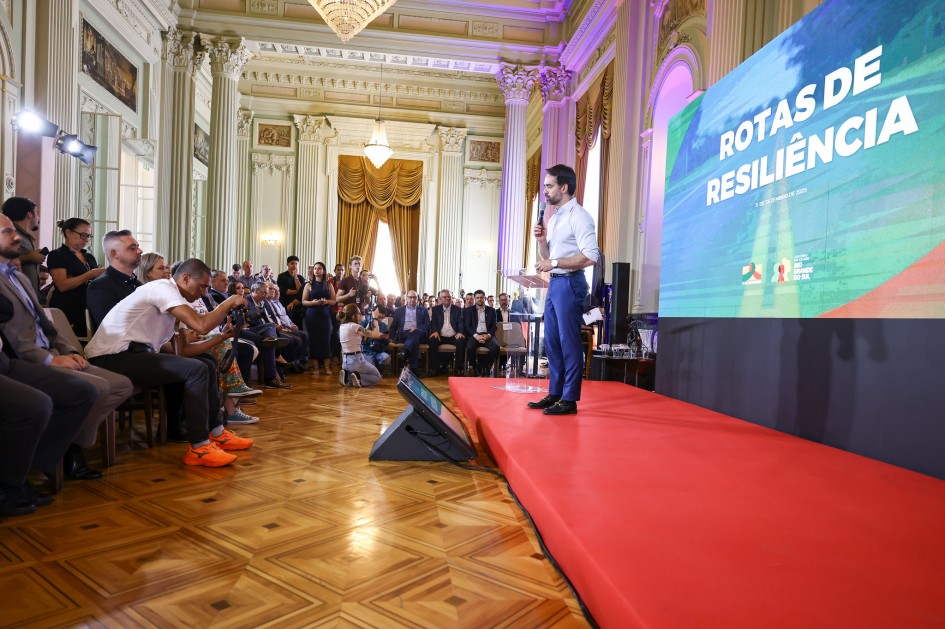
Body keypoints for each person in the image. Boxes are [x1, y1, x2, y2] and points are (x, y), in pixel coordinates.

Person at [0, 214, 133, 480]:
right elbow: (10, 334)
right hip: (26, 358)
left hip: (52, 349)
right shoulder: (56, 258)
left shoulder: (21, 279)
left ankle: (63, 444)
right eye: (7, 232)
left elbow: (46, 325)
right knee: (95, 388)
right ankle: (66, 453)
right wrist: (49, 360)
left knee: (121, 385)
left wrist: (68, 350)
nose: (17, 237)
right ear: (68, 233)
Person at [85, 258, 255, 467]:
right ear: (186, 278)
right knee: (197, 369)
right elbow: (202, 325)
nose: (204, 292)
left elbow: (183, 351)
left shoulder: (177, 301)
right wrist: (229, 302)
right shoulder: (162, 288)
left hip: (136, 354)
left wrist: (221, 337)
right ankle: (199, 447)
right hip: (111, 356)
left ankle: (217, 432)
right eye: (202, 286)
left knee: (207, 363)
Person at [528, 164, 600, 415]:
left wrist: (554, 263)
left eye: (549, 186)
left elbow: (591, 255)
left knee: (568, 341)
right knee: (552, 341)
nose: (545, 191)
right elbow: (548, 256)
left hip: (570, 282)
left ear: (564, 187)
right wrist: (541, 241)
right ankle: (556, 392)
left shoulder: (579, 216)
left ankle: (569, 399)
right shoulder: (556, 217)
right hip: (556, 282)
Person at [0, 337, 98, 516]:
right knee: (36, 405)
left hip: (3, 360)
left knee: (83, 392)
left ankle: (20, 473)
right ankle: (8, 484)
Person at [46, 218, 105, 336]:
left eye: (89, 236)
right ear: (68, 232)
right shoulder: (57, 255)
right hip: (69, 306)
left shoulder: (89, 257)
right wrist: (90, 274)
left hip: (90, 305)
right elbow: (62, 285)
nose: (86, 239)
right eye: (83, 235)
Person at [87, 230, 144, 329]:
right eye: (132, 247)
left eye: (137, 246)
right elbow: (111, 328)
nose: (140, 251)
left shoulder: (137, 284)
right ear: (114, 254)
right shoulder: (100, 286)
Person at [1, 196, 45, 295]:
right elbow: (4, 261)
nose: (38, 218)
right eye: (36, 212)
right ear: (29, 214)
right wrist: (30, 257)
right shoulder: (10, 235)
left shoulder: (25, 236)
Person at [337, 304, 384, 387]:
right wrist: (375, 319)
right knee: (377, 377)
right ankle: (356, 378)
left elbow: (363, 337)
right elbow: (376, 334)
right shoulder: (355, 326)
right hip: (356, 361)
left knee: (357, 373)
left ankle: (347, 376)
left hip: (345, 362)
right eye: (359, 313)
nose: (361, 314)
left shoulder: (342, 326)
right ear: (353, 316)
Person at [301, 261, 335, 375]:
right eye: (315, 268)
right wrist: (312, 303)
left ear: (323, 271)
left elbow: (334, 301)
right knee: (313, 340)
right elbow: (303, 301)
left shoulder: (329, 285)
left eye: (319, 268)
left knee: (326, 340)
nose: (316, 270)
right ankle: (315, 367)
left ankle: (326, 367)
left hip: (325, 315)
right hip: (312, 315)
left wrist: (326, 301)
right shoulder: (308, 284)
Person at [388, 290, 430, 372]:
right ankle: (414, 369)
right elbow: (393, 327)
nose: (412, 299)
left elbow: (427, 325)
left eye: (414, 297)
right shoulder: (399, 311)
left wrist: (417, 328)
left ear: (417, 299)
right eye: (410, 297)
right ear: (406, 298)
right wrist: (391, 337)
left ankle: (405, 350)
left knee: (416, 333)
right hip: (404, 335)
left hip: (420, 334)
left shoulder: (423, 310)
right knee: (414, 341)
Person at [428, 289, 467, 376]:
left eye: (448, 297)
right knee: (432, 340)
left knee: (461, 341)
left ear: (451, 298)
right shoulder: (435, 309)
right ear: (440, 298)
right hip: (440, 335)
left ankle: (458, 369)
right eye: (444, 297)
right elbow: (433, 322)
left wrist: (460, 332)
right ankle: (434, 368)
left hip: (454, 336)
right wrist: (435, 331)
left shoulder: (458, 309)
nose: (447, 298)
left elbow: (460, 322)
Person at [463, 289, 499, 377]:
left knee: (496, 347)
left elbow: (494, 326)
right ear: (475, 299)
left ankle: (484, 365)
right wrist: (476, 336)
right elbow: (468, 326)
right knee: (470, 348)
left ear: (485, 298)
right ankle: (475, 367)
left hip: (488, 334)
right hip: (474, 335)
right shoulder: (468, 310)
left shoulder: (492, 310)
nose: (479, 299)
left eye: (481, 297)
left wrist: (488, 335)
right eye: (477, 298)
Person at [277, 255, 305, 326]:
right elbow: (286, 291)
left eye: (296, 264)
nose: (294, 265)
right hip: (286, 306)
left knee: (299, 327)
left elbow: (302, 292)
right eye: (292, 263)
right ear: (288, 264)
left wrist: (295, 277)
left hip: (298, 308)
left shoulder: (300, 278)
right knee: (288, 327)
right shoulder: (282, 276)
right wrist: (298, 291)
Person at [361, 304, 391, 371]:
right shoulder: (365, 323)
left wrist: (386, 338)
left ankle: (377, 368)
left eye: (382, 318)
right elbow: (362, 340)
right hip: (367, 351)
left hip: (379, 351)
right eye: (379, 317)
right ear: (373, 314)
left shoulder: (383, 325)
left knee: (387, 358)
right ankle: (375, 370)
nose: (380, 320)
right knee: (370, 363)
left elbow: (386, 343)